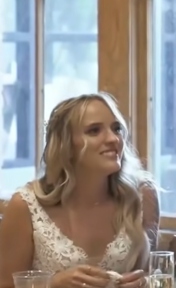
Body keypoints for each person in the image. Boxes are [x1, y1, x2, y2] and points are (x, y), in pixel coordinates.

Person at [0, 93, 160, 288]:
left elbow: (154, 276)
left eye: (116, 128)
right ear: (65, 145)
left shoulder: (141, 198)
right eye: (94, 131)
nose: (113, 139)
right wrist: (52, 284)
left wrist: (144, 283)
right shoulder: (25, 206)